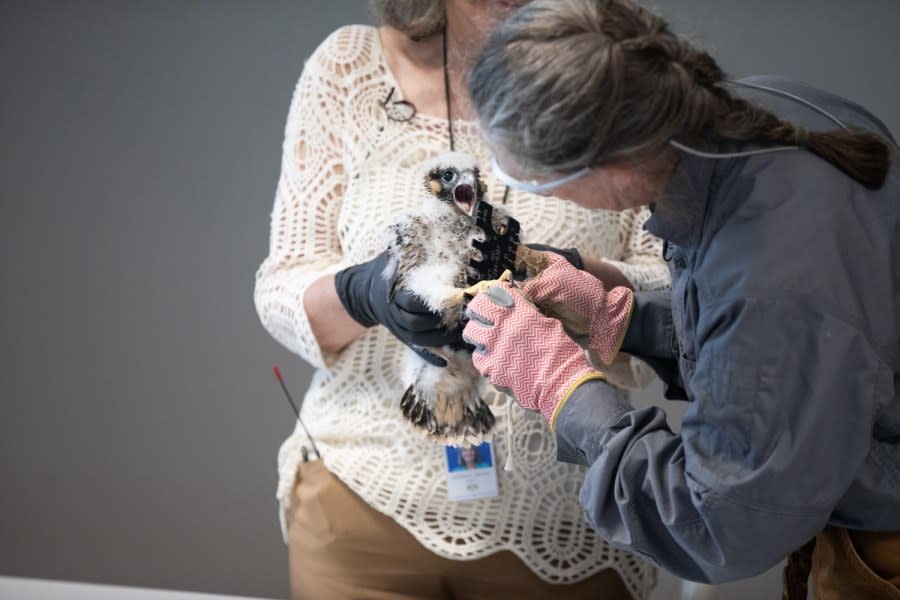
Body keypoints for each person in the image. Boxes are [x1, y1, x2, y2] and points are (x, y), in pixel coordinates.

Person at [460, 1, 900, 599]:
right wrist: (626, 318)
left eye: (534, 180)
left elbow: (720, 523)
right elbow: (802, 352)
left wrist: (565, 389)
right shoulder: (756, 115)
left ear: (611, 168)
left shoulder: (772, 276)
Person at [254, 1, 669, 598]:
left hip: (571, 525)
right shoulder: (352, 67)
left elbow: (685, 302)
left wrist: (575, 280)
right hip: (362, 506)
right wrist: (366, 292)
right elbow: (281, 286)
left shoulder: (629, 83)